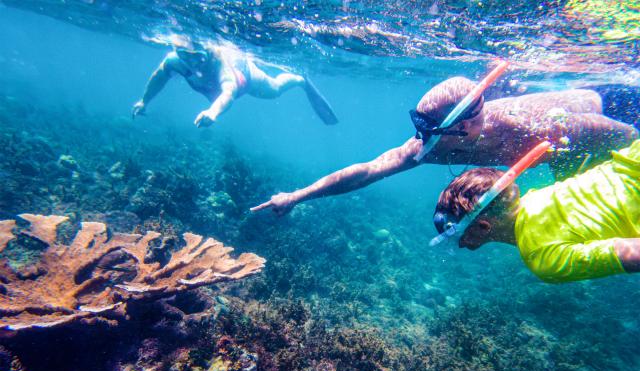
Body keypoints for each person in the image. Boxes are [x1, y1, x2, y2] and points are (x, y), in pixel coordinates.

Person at [251, 76, 638, 216]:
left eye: (431, 130)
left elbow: (620, 136)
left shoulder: (532, 127)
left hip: (613, 104)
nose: (422, 140)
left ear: (467, 125)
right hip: (574, 154)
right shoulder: (431, 144)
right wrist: (296, 195)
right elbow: (369, 170)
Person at [432, 139, 640, 283]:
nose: (459, 244)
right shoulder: (534, 197)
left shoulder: (542, 259)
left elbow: (632, 253)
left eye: (455, 235)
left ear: (483, 226)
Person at [132, 38, 338, 127]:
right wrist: (144, 101)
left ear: (209, 53)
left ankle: (300, 80)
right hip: (214, 89)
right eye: (185, 55)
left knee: (274, 90)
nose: (192, 62)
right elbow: (159, 77)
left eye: (198, 57)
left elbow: (228, 92)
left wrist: (213, 112)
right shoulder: (175, 61)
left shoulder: (221, 64)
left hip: (246, 78)